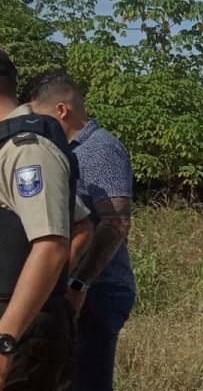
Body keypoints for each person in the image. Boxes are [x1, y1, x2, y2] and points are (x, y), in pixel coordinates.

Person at [27, 71, 136, 391]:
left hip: (99, 290)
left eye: (43, 119)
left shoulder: (100, 149)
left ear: (62, 110)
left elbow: (116, 222)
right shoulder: (63, 152)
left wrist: (79, 284)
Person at [0, 50, 85, 390]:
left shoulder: (27, 147)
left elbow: (51, 245)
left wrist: (6, 341)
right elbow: (80, 223)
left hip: (17, 328)